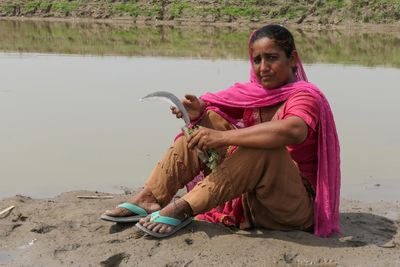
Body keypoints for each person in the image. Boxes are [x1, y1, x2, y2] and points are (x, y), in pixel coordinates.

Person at [101, 24, 341, 238]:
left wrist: (222, 137)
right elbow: (215, 112)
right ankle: (150, 198)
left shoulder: (305, 96)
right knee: (206, 123)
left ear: (292, 59)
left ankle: (184, 208)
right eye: (257, 60)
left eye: (272, 58)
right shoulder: (254, 93)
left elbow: (294, 130)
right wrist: (198, 113)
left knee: (267, 148)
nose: (263, 67)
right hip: (253, 199)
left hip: (290, 208)